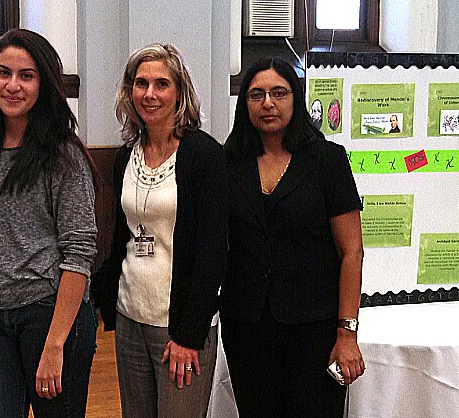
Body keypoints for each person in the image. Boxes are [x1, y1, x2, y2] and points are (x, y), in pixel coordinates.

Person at [0, 29, 99, 418]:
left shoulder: (63, 155)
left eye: (26, 76)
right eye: (4, 73)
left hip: (49, 314)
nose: (12, 85)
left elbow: (79, 253)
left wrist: (55, 346)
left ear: (43, 83)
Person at [222, 57, 366, 417]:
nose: (268, 103)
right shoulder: (228, 162)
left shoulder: (328, 161)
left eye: (279, 93)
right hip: (247, 327)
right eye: (256, 95)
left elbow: (352, 251)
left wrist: (347, 333)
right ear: (245, 103)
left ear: (295, 98)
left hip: (315, 327)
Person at [92, 43, 227, 418]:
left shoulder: (204, 155)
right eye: (141, 83)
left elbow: (213, 253)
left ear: (180, 92)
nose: (149, 94)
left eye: (161, 84)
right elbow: (122, 238)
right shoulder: (126, 156)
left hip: (180, 325)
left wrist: (189, 335)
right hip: (130, 316)